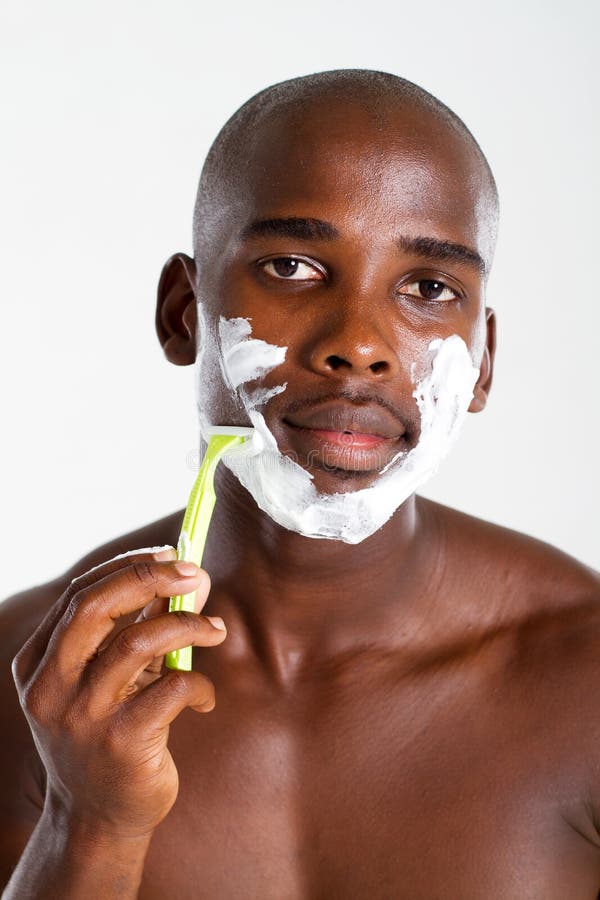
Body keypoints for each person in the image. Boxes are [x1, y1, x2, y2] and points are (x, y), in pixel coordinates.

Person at [1, 68, 599, 900]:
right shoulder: (34, 677)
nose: (360, 344)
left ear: (483, 362)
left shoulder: (584, 675)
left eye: (429, 289)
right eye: (290, 266)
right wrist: (89, 821)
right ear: (183, 312)